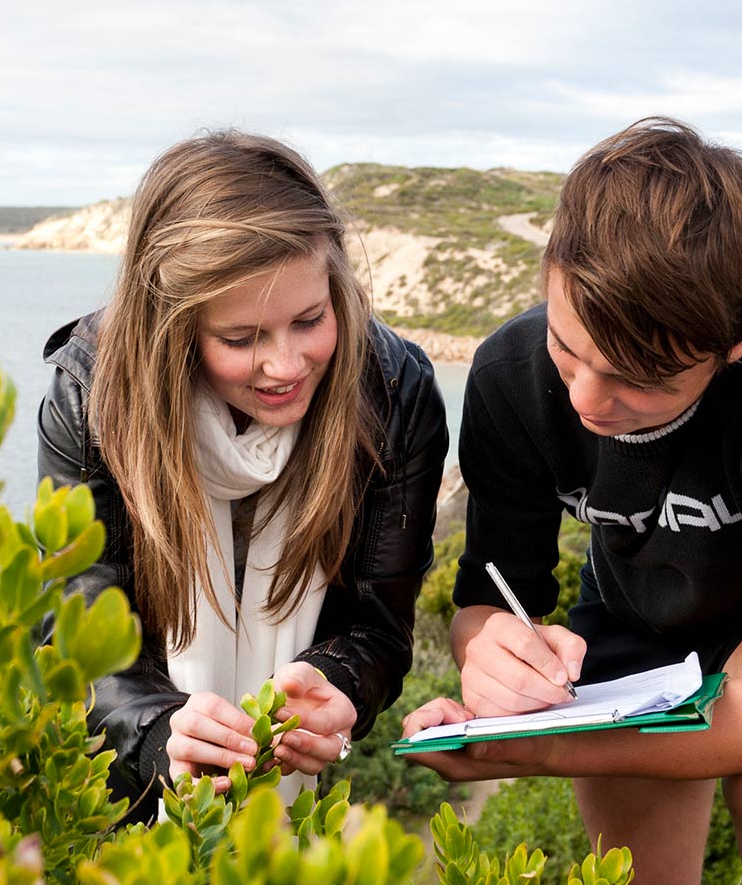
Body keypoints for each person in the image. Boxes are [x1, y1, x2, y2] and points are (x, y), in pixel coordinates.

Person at [402, 117, 742, 884]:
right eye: (568, 348)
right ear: (550, 276)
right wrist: (498, 662)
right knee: (637, 873)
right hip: (637, 608)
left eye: (645, 380)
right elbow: (490, 603)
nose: (587, 402)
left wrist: (549, 748)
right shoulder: (507, 375)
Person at [38, 131, 448, 821]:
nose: (285, 366)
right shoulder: (91, 402)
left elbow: (379, 627)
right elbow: (75, 642)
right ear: (172, 328)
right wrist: (160, 733)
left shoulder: (394, 393)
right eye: (241, 338)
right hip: (119, 811)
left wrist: (336, 686)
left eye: (310, 320)